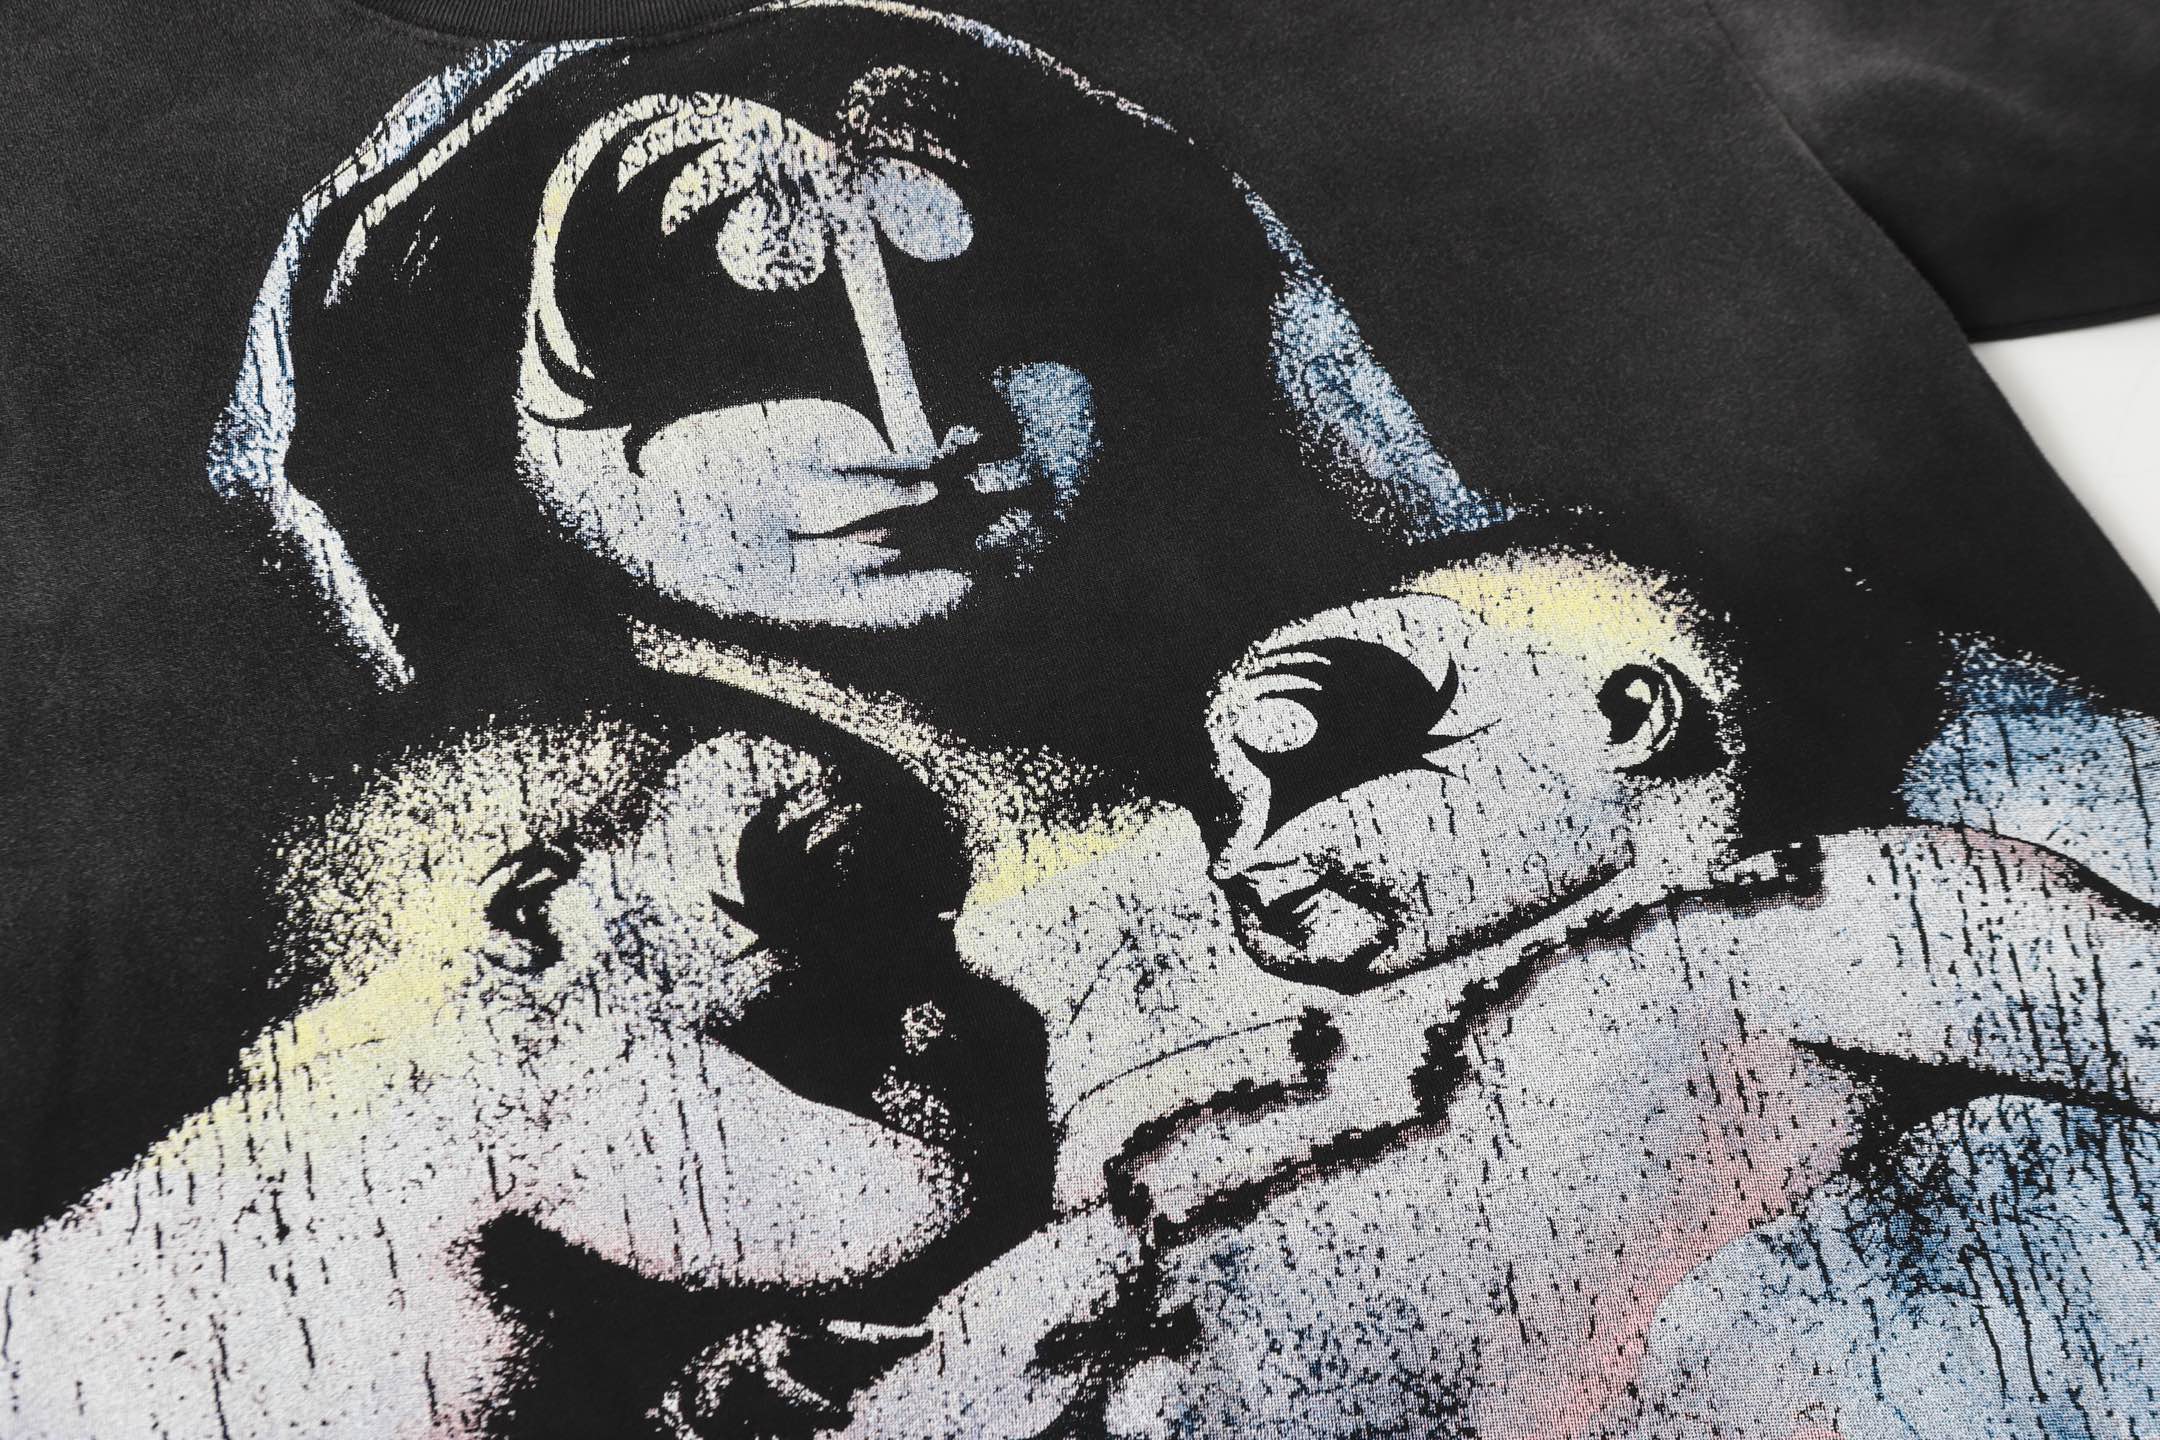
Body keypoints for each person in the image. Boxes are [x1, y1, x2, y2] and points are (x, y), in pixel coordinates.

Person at [829, 544, 2160, 1438]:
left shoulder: (1795, 925)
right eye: (1229, 802)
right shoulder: (1215, 1106)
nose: (1243, 853)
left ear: (1629, 717)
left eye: (1315, 755)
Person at [0, 696, 1049, 1439]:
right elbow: (911, 1205)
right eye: (818, 884)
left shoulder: (263, 1125)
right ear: (536, 907)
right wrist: (958, 1055)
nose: (870, 961)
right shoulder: (530, 1066)